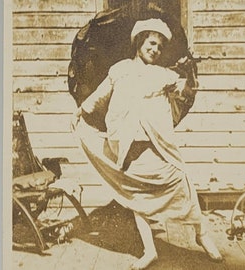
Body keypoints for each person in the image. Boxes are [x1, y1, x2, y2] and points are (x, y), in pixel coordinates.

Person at [73, 18, 222, 269]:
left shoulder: (164, 75)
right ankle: (149, 250)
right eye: (151, 43)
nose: (155, 50)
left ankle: (202, 235)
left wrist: (190, 73)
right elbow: (100, 95)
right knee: (136, 197)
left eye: (160, 47)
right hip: (127, 145)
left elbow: (186, 90)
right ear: (140, 43)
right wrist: (80, 112)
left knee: (182, 180)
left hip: (155, 145)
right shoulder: (119, 70)